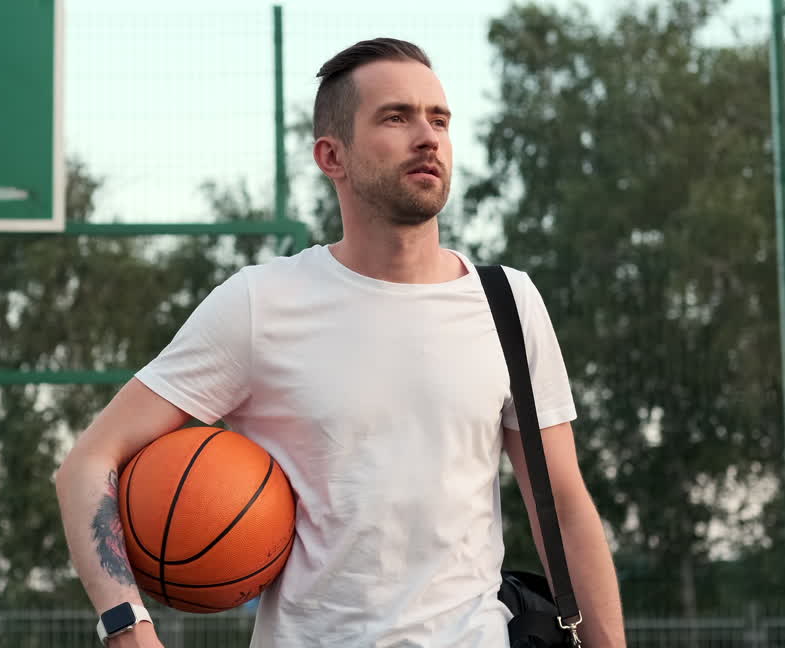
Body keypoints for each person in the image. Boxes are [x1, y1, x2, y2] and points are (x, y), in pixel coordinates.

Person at [55, 38, 626, 647]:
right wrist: (127, 627)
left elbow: (561, 503)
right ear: (333, 156)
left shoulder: (508, 304)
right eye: (396, 117)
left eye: (439, 119)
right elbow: (88, 465)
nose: (427, 136)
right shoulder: (261, 304)